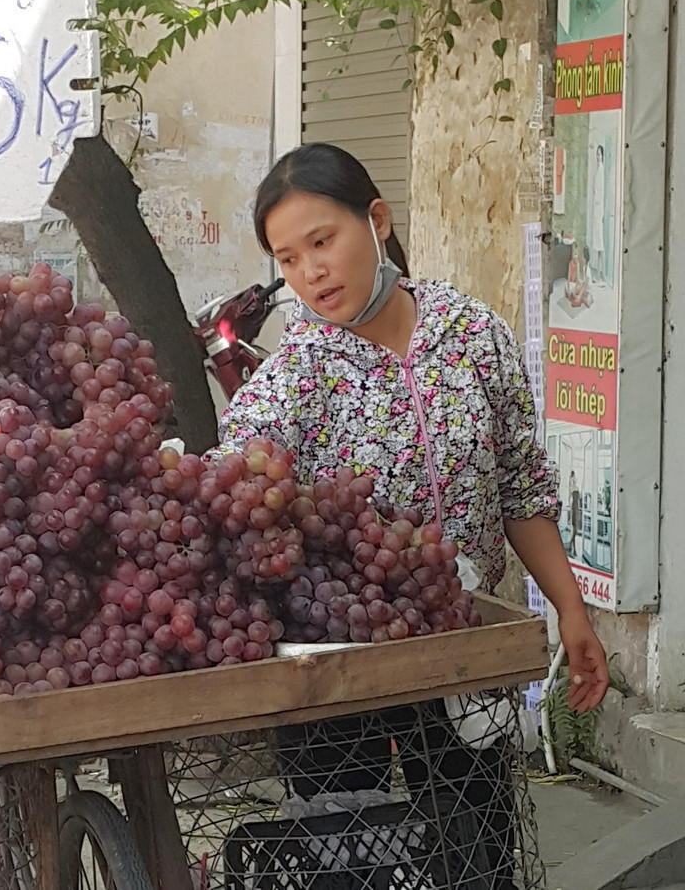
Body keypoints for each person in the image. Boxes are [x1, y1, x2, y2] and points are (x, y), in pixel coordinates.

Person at [217, 143, 608, 888]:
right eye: (288, 258)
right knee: (351, 865)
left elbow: (522, 489)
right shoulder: (292, 375)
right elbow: (235, 494)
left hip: (463, 653)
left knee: (476, 861)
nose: (311, 273)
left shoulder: (474, 337)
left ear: (376, 220)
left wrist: (570, 609)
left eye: (322, 241)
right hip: (338, 670)